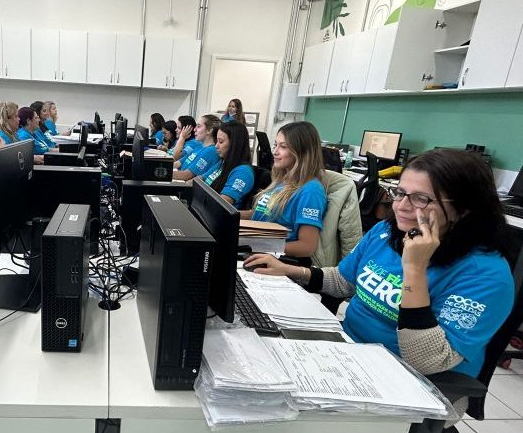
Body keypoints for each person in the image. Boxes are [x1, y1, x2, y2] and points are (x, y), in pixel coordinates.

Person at [245, 149, 514, 383]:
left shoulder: (487, 275)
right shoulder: (388, 231)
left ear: (464, 209)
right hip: (351, 351)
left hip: (415, 379)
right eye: (400, 193)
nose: (401, 207)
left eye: (421, 199)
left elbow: (427, 361)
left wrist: (414, 270)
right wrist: (291, 271)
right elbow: (343, 281)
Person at [243, 121, 327, 259]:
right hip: (254, 246)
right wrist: (232, 215)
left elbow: (307, 247)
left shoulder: (311, 191)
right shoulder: (282, 180)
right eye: (275, 145)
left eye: (283, 147)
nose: (275, 152)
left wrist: (262, 248)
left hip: (272, 258)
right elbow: (264, 212)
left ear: (301, 152)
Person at [201, 122, 255, 209]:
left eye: (221, 142)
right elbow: (201, 179)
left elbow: (220, 204)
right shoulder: (223, 162)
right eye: (217, 141)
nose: (216, 146)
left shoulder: (243, 172)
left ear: (234, 145)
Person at [173, 114, 222, 181]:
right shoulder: (200, 146)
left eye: (198, 126)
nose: (194, 129)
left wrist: (162, 173)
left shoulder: (211, 151)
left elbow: (186, 175)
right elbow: (178, 163)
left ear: (209, 130)